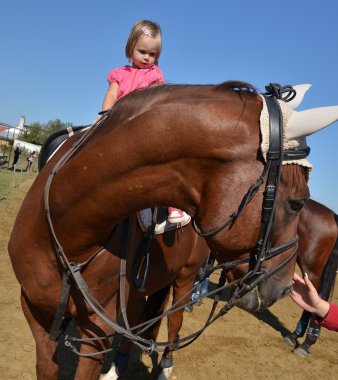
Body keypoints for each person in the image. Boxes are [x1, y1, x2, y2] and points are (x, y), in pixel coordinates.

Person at [101, 19, 188, 224]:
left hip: (143, 126)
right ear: (130, 48)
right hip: (120, 124)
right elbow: (112, 95)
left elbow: (157, 99)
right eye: (143, 52)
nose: (147, 58)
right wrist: (104, 114)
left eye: (153, 54)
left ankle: (172, 204)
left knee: (165, 156)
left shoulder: (155, 76)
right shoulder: (119, 74)